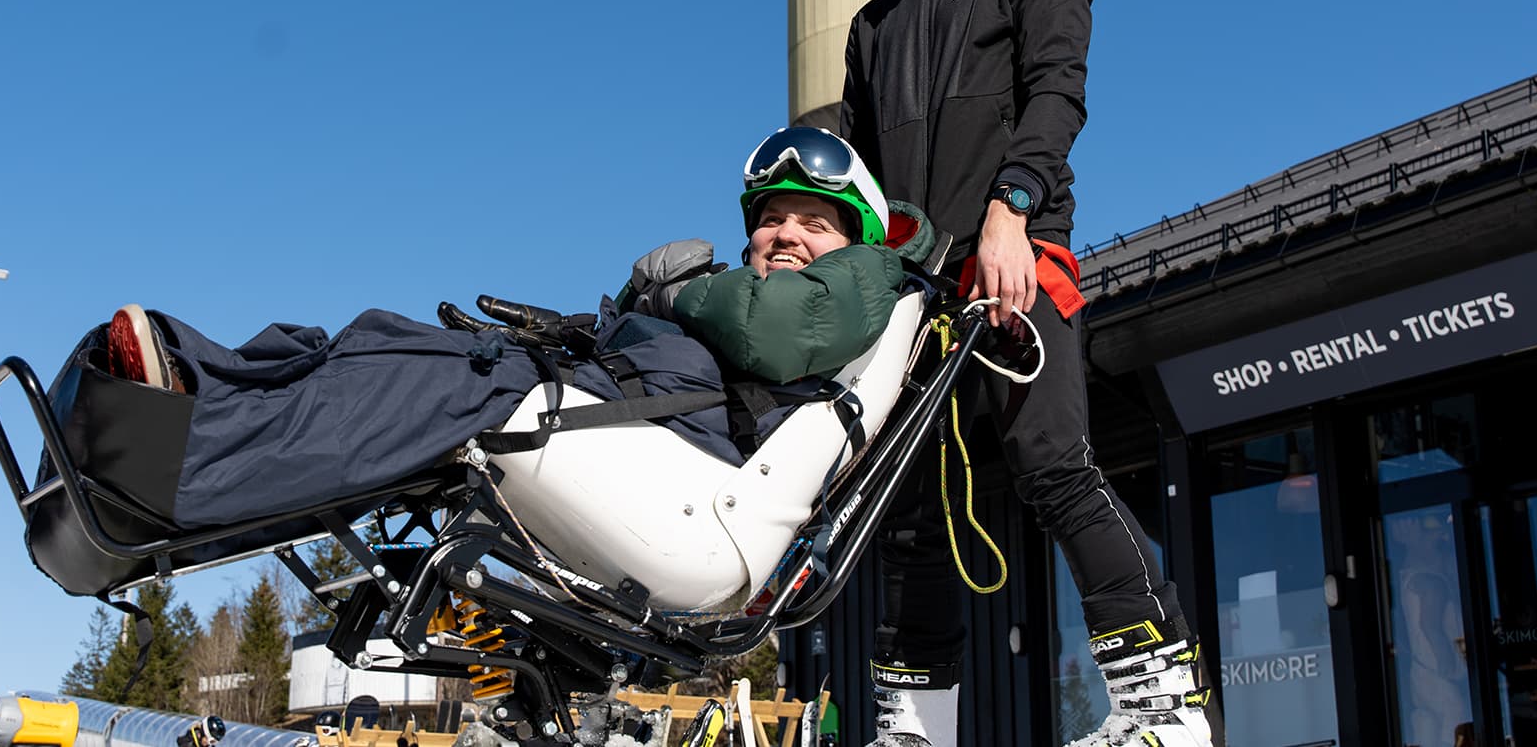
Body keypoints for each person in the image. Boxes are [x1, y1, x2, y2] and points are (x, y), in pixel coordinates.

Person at [837, 0, 1214, 747]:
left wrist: (1011, 208)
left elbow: (1058, 90)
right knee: (911, 508)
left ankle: (1163, 707)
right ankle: (917, 728)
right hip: (914, 293)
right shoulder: (873, 25)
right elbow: (864, 183)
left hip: (1013, 257)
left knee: (1053, 468)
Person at [95, 128, 927, 518]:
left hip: (686, 452)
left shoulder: (867, 274)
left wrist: (673, 296)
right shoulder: (740, 287)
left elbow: (773, 334)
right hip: (629, 403)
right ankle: (193, 385)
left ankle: (175, 470)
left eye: (812, 223)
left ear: (853, 234)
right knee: (383, 338)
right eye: (772, 219)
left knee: (438, 380)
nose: (785, 235)